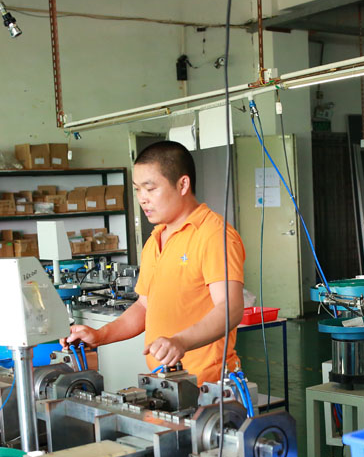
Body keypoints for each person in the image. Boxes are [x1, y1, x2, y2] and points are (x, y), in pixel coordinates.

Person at [62, 141, 245, 384]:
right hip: (164, 381)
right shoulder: (156, 239)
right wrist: (100, 335)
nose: (142, 199)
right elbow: (144, 306)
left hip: (208, 384)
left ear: (182, 184)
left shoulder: (213, 235)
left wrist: (181, 341)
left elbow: (230, 308)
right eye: (138, 190)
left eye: (150, 189)